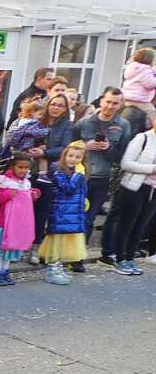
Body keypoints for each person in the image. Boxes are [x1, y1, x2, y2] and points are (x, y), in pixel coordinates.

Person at [73, 87, 130, 265]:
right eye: (108, 101)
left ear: (120, 104)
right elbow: (69, 148)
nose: (110, 106)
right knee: (74, 216)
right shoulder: (84, 122)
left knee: (89, 219)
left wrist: (109, 148)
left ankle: (78, 258)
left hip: (103, 178)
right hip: (80, 176)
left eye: (115, 103)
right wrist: (84, 146)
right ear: (101, 101)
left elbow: (123, 156)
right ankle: (66, 254)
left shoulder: (123, 125)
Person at [29, 94, 74, 263]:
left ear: (65, 109)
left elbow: (65, 148)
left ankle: (36, 247)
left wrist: (45, 153)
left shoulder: (67, 126)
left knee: (42, 211)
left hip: (50, 173)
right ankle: (19, 245)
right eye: (53, 104)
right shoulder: (38, 122)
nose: (56, 108)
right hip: (31, 170)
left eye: (60, 105)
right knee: (27, 210)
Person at [110, 117, 156, 273]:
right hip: (134, 188)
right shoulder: (142, 138)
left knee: (140, 226)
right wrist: (152, 168)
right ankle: (120, 258)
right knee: (126, 224)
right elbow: (126, 163)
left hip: (153, 190)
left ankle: (130, 258)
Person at [39, 142, 88, 284]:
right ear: (64, 156)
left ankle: (58, 267)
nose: (73, 159)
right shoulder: (58, 171)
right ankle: (52, 270)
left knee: (64, 244)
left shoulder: (78, 172)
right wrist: (78, 175)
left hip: (72, 214)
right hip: (61, 213)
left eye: (78, 157)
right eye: (70, 155)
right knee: (56, 243)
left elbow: (80, 192)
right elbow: (68, 188)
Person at [0, 153, 39, 285]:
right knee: (0, 249)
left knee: (10, 249)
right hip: (3, 222)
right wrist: (8, 194)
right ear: (12, 166)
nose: (23, 170)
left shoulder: (26, 183)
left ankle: (5, 270)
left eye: (26, 168)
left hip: (17, 223)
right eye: (20, 167)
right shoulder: (4, 181)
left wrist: (33, 194)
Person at [121, 48, 156, 125]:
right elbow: (149, 84)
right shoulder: (145, 70)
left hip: (127, 97)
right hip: (139, 100)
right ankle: (149, 126)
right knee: (152, 113)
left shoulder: (134, 67)